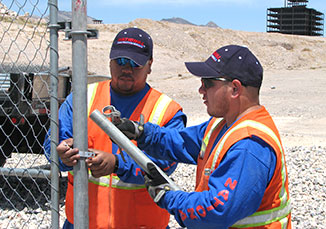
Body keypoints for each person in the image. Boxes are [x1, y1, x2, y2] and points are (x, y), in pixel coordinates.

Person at [115, 45, 292, 228]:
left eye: (207, 83)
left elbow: (217, 210)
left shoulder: (249, 145)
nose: (201, 90)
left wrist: (169, 196)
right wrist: (141, 132)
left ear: (235, 89)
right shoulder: (221, 125)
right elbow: (181, 142)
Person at [43, 27, 186, 228]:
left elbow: (165, 164)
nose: (126, 69)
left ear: (150, 65)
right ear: (110, 61)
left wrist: (118, 164)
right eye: (120, 61)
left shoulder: (167, 111)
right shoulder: (82, 98)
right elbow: (52, 144)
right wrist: (62, 155)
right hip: (83, 223)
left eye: (134, 63)